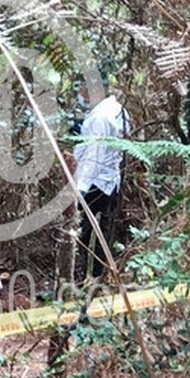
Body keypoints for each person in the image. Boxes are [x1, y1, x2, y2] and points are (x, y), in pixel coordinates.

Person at [72, 80, 130, 279]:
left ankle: (83, 278)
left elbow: (93, 156)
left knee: (83, 233)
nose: (82, 96)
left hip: (95, 182)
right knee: (100, 231)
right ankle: (96, 276)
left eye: (84, 91)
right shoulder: (118, 110)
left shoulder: (99, 117)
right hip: (111, 181)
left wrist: (80, 189)